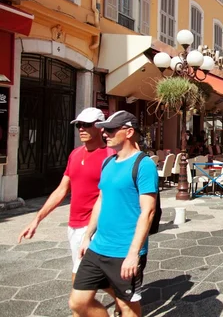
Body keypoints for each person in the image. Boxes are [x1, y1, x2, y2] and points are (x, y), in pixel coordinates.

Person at [18, 108, 117, 295]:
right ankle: (126, 303)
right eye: (79, 125)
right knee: (98, 279)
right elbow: (62, 190)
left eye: (87, 124)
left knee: (79, 283)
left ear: (100, 127)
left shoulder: (110, 156)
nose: (81, 128)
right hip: (74, 225)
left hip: (95, 227)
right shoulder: (75, 154)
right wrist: (36, 219)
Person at [69, 111, 159, 317]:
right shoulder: (108, 163)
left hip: (124, 250)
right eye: (103, 129)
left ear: (128, 132)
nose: (104, 133)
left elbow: (148, 211)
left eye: (110, 129)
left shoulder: (143, 165)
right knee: (78, 302)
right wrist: (87, 235)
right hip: (98, 246)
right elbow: (101, 200)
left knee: (127, 306)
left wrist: (133, 254)